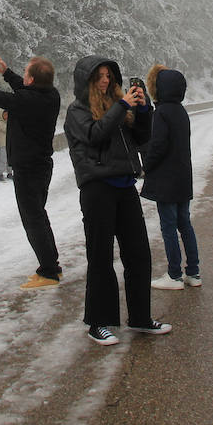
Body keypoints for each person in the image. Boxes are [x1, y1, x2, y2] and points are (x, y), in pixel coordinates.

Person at [64, 55, 173, 345]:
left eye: (109, 75)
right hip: (97, 189)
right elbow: (95, 135)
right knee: (100, 257)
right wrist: (123, 105)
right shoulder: (77, 111)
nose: (105, 80)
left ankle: (140, 317)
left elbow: (141, 137)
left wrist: (143, 108)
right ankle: (98, 322)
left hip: (125, 186)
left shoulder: (117, 106)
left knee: (138, 254)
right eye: (99, 76)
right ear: (86, 80)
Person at [0, 55, 63, 289]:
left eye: (26, 72)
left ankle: (48, 272)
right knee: (39, 216)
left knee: (33, 220)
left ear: (32, 79)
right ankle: (51, 265)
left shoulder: (28, 99)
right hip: (41, 165)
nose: (22, 75)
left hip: (28, 168)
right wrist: (6, 72)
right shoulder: (51, 95)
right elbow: (23, 90)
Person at [140, 64, 201, 290]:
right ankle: (193, 272)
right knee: (185, 224)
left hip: (166, 179)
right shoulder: (181, 111)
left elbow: (158, 145)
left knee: (168, 227)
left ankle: (174, 274)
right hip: (183, 177)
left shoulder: (162, 113)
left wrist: (146, 166)